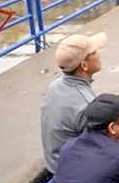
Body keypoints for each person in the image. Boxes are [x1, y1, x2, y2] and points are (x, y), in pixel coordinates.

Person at [41, 32, 107, 174]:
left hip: (55, 162)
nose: (99, 55)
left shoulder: (55, 85)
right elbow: (100, 149)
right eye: (94, 53)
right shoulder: (86, 104)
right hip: (74, 171)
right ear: (84, 65)